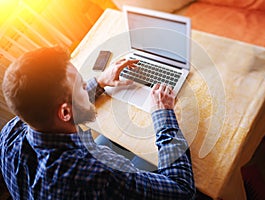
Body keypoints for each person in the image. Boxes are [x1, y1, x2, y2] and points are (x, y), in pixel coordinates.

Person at [0, 46, 196, 199]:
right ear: (65, 112)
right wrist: (163, 114)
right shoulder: (92, 175)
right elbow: (181, 189)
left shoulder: (11, 132)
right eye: (82, 86)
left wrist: (100, 82)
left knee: (119, 144)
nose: (86, 86)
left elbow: (61, 107)